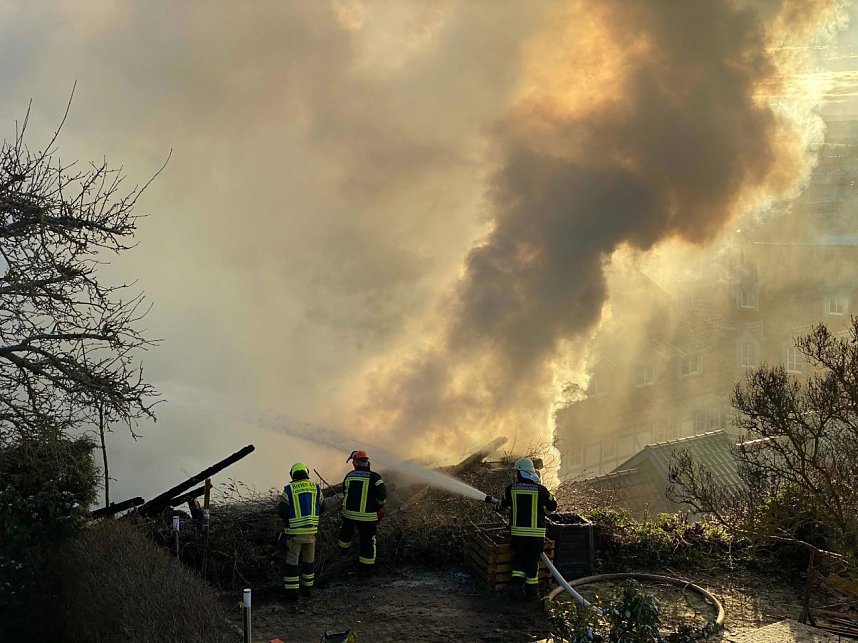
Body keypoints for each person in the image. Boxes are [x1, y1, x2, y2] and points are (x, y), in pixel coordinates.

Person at [486, 457, 557, 601]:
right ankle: (532, 594)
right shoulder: (542, 490)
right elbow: (553, 506)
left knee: (519, 561)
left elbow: (501, 506)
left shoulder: (511, 489)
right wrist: (544, 511)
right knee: (532, 563)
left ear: (519, 473)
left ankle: (516, 591)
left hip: (518, 534)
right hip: (537, 535)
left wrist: (495, 505)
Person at [277, 462, 324, 601]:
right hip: (311, 533)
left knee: (292, 563)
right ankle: (307, 591)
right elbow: (323, 507)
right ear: (306, 473)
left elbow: (282, 511)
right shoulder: (316, 488)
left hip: (294, 534)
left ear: (292, 474)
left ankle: (292, 595)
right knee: (309, 562)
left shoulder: (289, 489)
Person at [337, 449, 387, 576]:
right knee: (368, 542)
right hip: (368, 519)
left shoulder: (349, 476)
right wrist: (380, 505)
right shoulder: (375, 477)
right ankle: (365, 571)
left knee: (345, 538)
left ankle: (340, 559)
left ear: (355, 463)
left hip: (349, 516)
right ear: (367, 462)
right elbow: (382, 495)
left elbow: (345, 492)